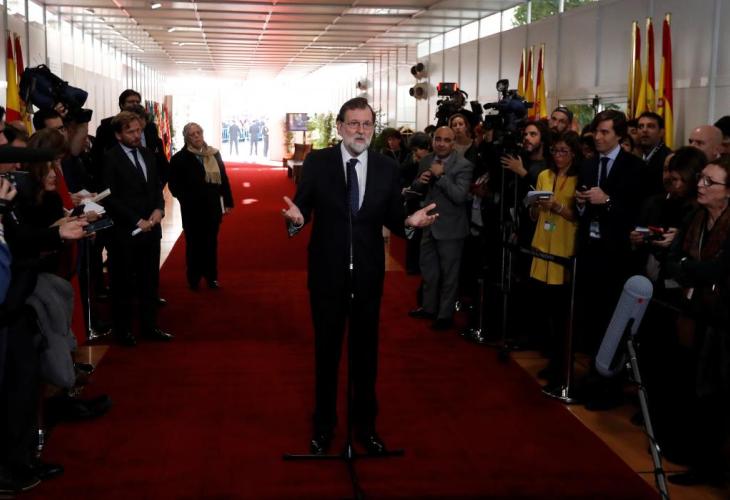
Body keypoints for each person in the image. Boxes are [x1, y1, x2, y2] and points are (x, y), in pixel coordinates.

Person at [280, 97, 437, 456]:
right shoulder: (319, 162)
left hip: (368, 277)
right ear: (339, 127)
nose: (360, 131)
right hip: (327, 275)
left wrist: (409, 223)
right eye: (353, 123)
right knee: (327, 354)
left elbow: (393, 216)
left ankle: (366, 427)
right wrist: (297, 220)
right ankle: (324, 427)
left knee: (366, 357)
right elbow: (302, 207)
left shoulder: (386, 167)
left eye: (367, 124)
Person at [665, 156, 730, 487]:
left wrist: (690, 268)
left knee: (718, 394)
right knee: (695, 388)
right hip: (694, 314)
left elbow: (719, 270)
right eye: (701, 178)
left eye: (710, 182)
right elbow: (672, 259)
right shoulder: (694, 215)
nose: (700, 185)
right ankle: (698, 461)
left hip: (723, 322)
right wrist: (691, 268)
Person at [574, 109, 644, 410]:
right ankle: (592, 377)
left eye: (605, 132)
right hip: (589, 250)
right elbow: (583, 208)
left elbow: (637, 211)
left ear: (619, 135)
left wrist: (608, 201)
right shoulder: (588, 165)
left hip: (617, 255)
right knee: (590, 318)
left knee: (612, 321)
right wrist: (580, 204)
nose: (598, 137)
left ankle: (609, 385)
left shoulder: (635, 167)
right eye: (596, 132)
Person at [101, 111, 172, 347]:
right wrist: (135, 220)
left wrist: (159, 209)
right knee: (123, 283)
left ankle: (150, 326)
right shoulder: (110, 158)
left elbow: (156, 187)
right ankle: (123, 331)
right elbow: (109, 197)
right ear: (118, 135)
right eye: (130, 131)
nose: (136, 135)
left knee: (149, 280)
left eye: (138, 130)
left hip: (151, 228)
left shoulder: (147, 154)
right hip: (124, 232)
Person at [529, 132, 580, 386]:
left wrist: (557, 206)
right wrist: (535, 205)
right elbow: (534, 214)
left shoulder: (579, 178)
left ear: (573, 154)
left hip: (564, 246)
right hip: (542, 243)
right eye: (555, 151)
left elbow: (579, 216)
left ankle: (563, 363)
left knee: (562, 313)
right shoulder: (544, 175)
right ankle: (551, 358)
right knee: (545, 308)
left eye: (564, 151)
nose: (559, 156)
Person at [409, 126, 473, 330]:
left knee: (449, 275)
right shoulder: (426, 160)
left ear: (453, 143)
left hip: (451, 228)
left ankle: (445, 316)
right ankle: (428, 308)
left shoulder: (464, 165)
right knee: (429, 271)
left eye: (446, 140)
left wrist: (442, 176)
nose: (441, 143)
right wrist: (419, 182)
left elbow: (459, 196)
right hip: (428, 224)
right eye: (438, 139)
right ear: (433, 140)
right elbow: (416, 188)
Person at [169, 123, 233, 290]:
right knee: (194, 244)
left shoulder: (214, 154)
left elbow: (223, 178)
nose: (197, 136)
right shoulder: (179, 158)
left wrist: (227, 201)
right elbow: (174, 185)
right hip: (192, 210)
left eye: (199, 132)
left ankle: (211, 277)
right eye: (192, 134)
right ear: (186, 138)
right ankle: (194, 278)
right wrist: (186, 199)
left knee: (211, 244)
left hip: (212, 207)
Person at [636, 111, 672, 196]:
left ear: (661, 132)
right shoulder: (636, 156)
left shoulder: (668, 158)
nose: (644, 130)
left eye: (650, 126)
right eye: (641, 126)